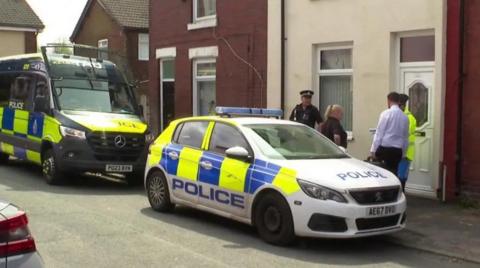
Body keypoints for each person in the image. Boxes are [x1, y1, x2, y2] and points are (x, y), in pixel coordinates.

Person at [370, 92, 409, 177]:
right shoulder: (405, 117)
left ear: (388, 100)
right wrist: (404, 153)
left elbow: (379, 133)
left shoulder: (386, 113)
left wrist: (373, 150)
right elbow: (405, 138)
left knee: (382, 174)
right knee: (394, 174)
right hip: (397, 151)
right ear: (399, 101)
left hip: (385, 150)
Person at [397, 94, 417, 191]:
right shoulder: (403, 116)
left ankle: (401, 195)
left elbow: (404, 134)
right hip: (402, 152)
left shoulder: (408, 117)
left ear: (402, 105)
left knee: (401, 176)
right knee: (400, 175)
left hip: (405, 153)